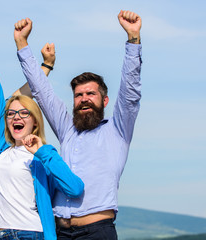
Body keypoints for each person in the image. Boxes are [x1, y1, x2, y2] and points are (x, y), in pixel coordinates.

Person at [14, 10, 142, 239]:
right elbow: (42, 92)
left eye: (90, 94)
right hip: (60, 231)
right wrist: (22, 44)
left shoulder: (118, 130)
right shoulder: (68, 130)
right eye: (78, 95)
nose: (84, 99)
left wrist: (133, 39)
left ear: (104, 101)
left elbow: (130, 92)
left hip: (97, 231)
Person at [0, 28, 84, 240]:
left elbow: (75, 188)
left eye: (24, 113)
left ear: (34, 121)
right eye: (12, 114)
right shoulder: (4, 147)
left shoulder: (42, 154)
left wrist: (43, 152)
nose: (16, 117)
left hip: (31, 234)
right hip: (2, 234)